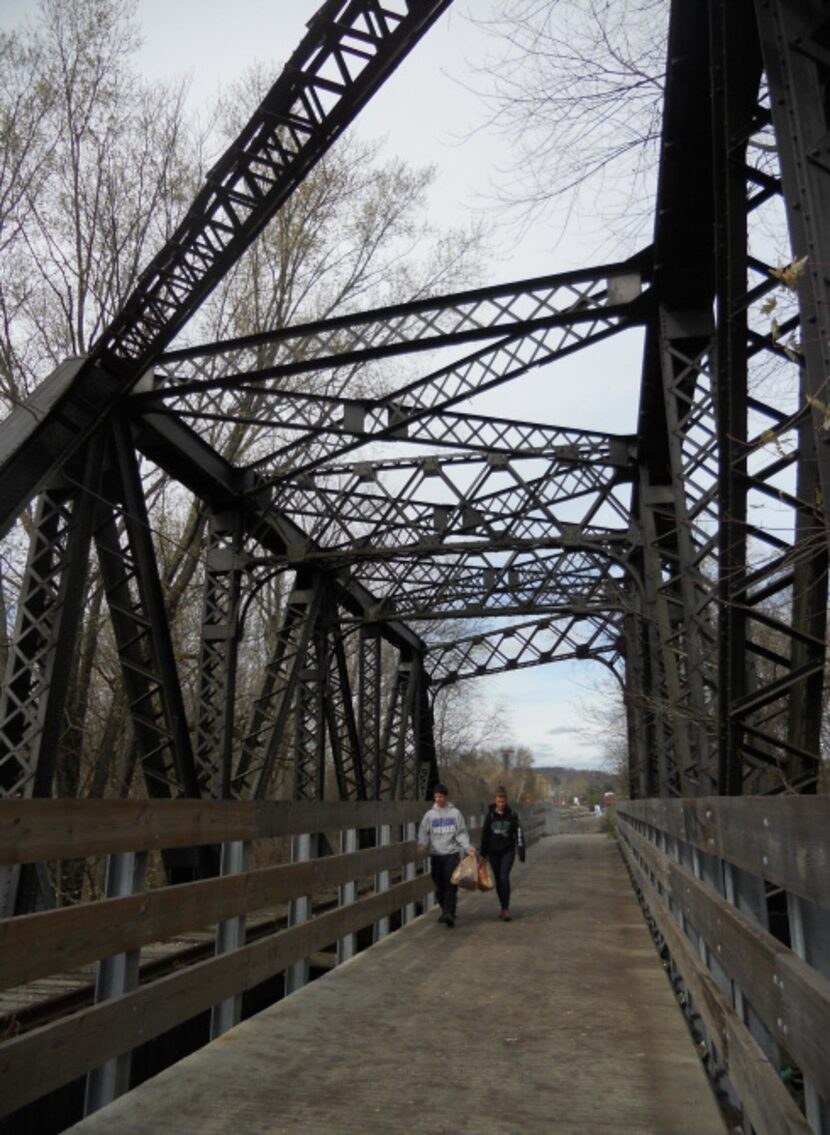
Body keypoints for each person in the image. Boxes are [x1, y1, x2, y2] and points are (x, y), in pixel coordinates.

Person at [416, 783, 476, 928]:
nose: (438, 799)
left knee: (450, 883)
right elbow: (424, 831)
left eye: (440, 796)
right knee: (439, 885)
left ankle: (449, 913)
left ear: (445, 797)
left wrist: (468, 847)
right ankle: (447, 911)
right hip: (436, 854)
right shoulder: (430, 815)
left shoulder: (455, 813)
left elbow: (461, 832)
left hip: (451, 853)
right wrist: (422, 843)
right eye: (436, 797)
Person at [479, 786, 525, 921]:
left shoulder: (512, 815)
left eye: (503, 802)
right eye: (499, 802)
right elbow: (485, 836)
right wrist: (483, 855)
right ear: (496, 801)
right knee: (499, 880)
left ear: (506, 801)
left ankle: (505, 909)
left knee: (504, 877)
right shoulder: (490, 815)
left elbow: (519, 833)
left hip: (508, 851)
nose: (501, 804)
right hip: (493, 853)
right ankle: (503, 906)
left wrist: (521, 850)